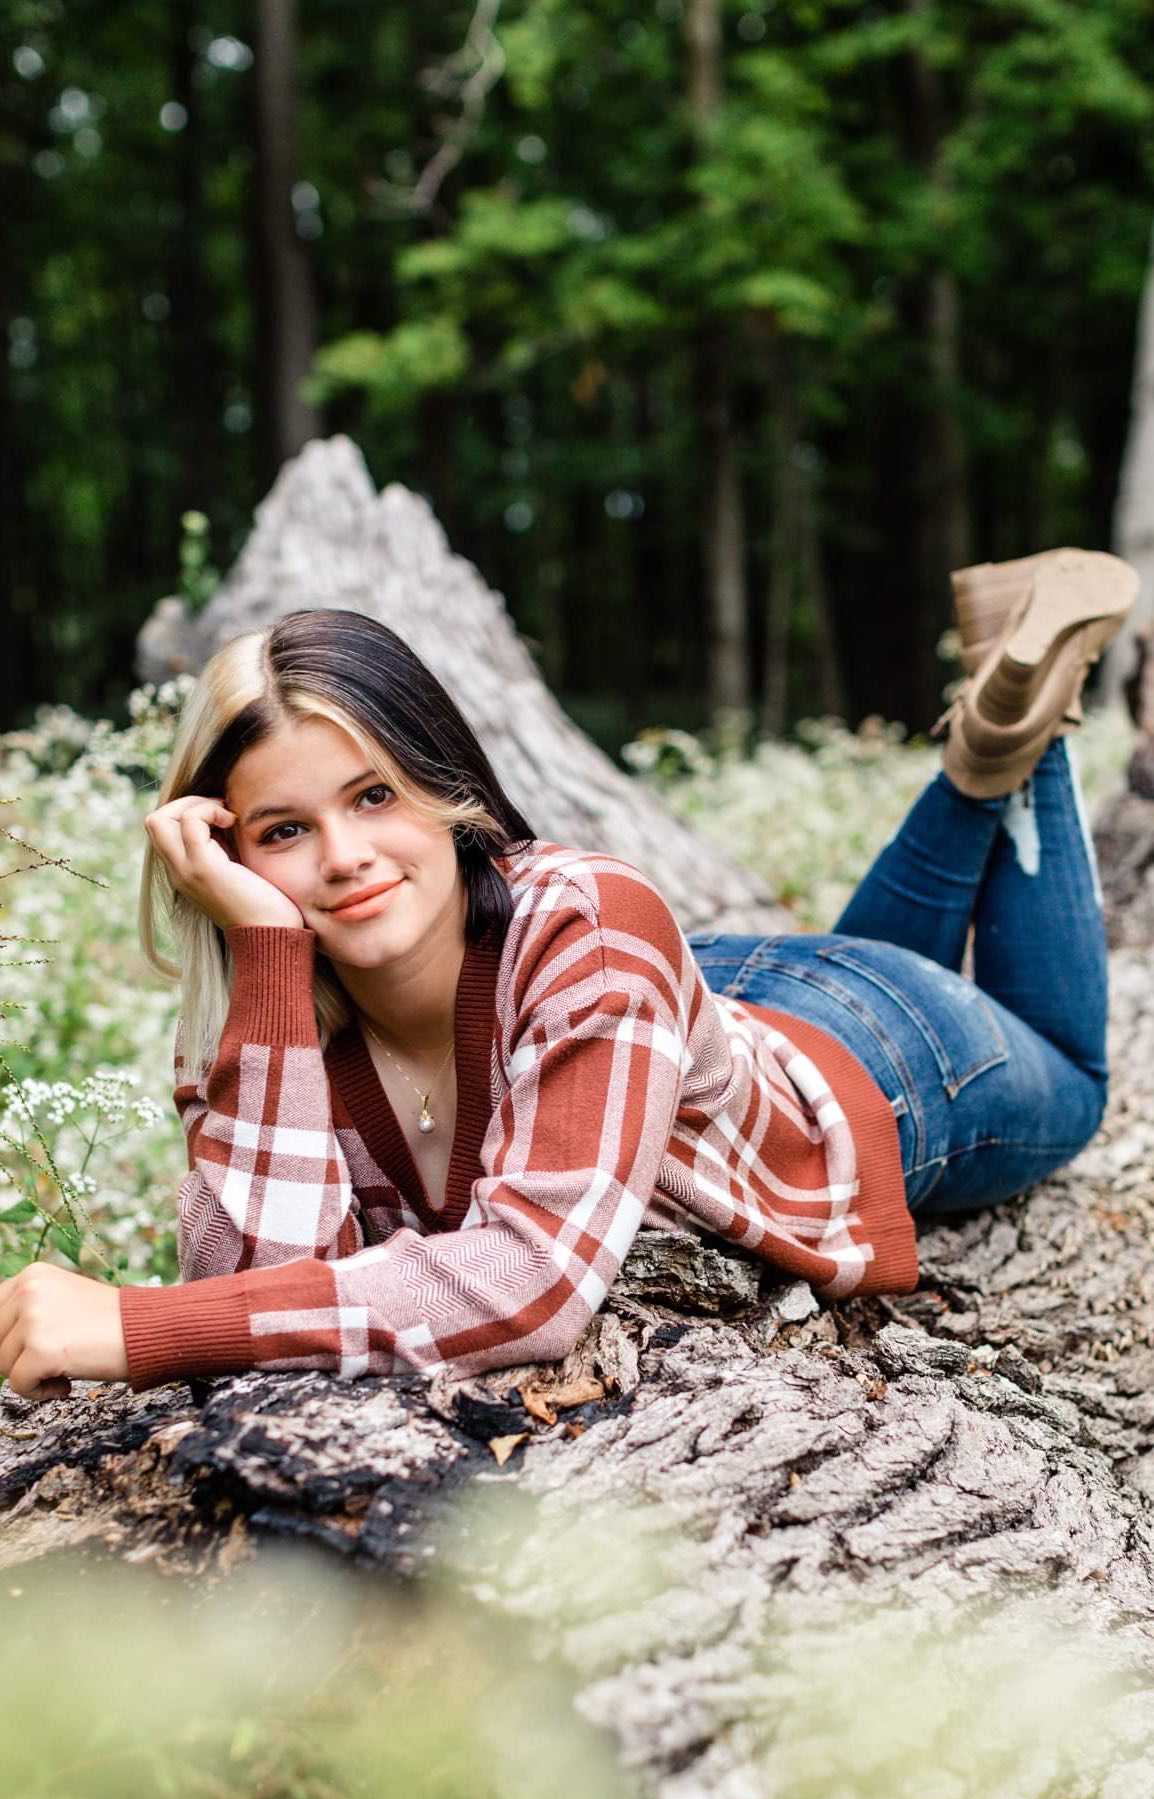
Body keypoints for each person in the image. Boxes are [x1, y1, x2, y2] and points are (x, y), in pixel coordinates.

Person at [0, 548, 1137, 1404]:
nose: (342, 857)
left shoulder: (591, 919)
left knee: (1077, 1083)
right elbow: (259, 1284)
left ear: (444, 788)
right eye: (283, 830)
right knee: (845, 964)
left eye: (375, 795)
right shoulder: (254, 1006)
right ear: (224, 852)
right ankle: (990, 733)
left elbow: (531, 1282)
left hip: (862, 1059)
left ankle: (1016, 739)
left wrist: (139, 1326)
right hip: (654, 1011)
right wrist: (265, 953)